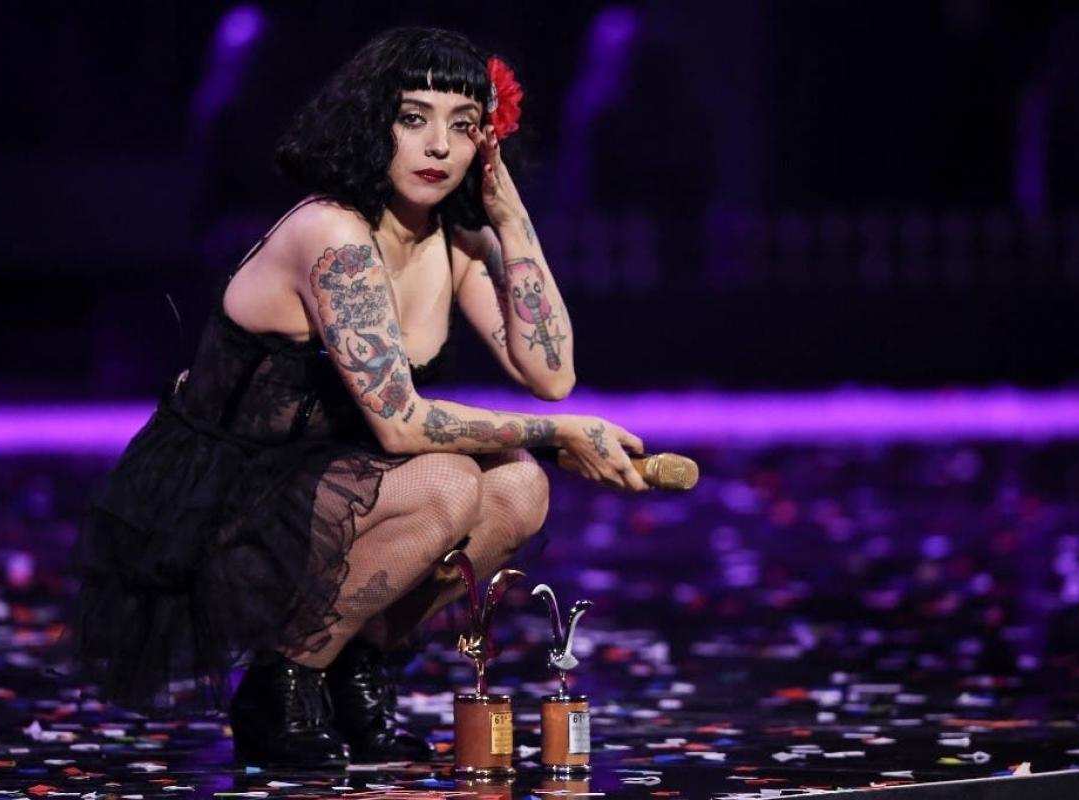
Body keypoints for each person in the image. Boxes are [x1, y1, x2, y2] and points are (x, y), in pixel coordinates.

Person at [71, 27, 648, 769]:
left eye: (462, 126)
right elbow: (403, 424)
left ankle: (357, 667)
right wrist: (558, 432)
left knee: (518, 489)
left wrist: (510, 219)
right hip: (226, 503)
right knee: (447, 484)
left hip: (341, 484)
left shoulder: (454, 238)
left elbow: (552, 374)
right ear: (372, 122)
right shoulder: (333, 234)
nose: (438, 146)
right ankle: (282, 680)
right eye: (413, 119)